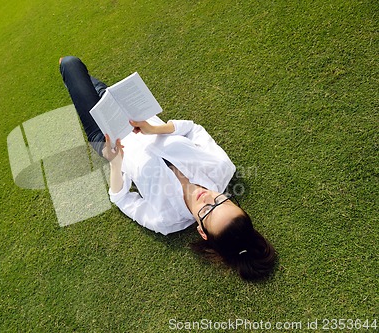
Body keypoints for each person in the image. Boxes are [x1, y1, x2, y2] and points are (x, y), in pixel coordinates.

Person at [59, 56, 276, 280]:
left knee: (69, 64)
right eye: (222, 201)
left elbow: (122, 200)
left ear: (202, 231)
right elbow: (193, 130)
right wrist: (155, 129)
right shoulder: (221, 168)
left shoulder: (166, 220)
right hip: (134, 114)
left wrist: (115, 164)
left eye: (208, 212)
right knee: (90, 83)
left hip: (106, 136)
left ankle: (73, 76)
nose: (208, 199)